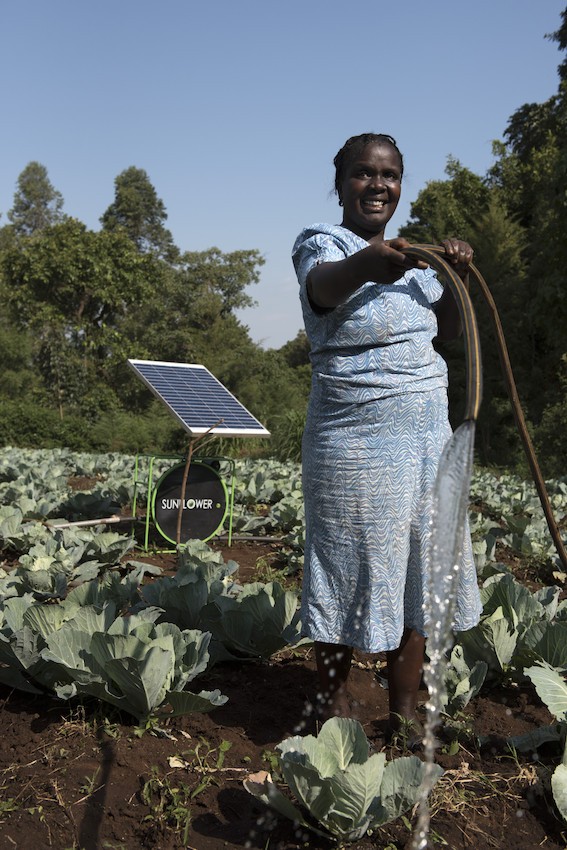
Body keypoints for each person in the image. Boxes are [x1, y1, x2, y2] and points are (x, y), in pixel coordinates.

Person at [292, 132, 482, 740]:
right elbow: (323, 288)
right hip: (354, 440)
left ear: (401, 184)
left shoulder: (416, 261)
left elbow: (448, 330)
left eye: (390, 175)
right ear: (341, 181)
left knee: (423, 568)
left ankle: (404, 711)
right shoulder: (324, 244)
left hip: (428, 437)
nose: (378, 185)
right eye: (364, 174)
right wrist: (370, 264)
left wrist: (455, 273)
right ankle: (328, 706)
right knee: (345, 564)